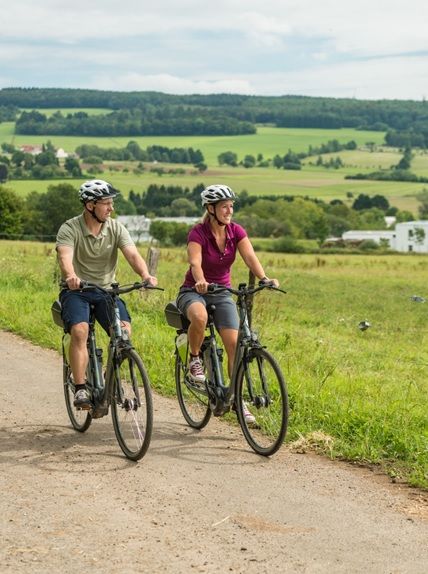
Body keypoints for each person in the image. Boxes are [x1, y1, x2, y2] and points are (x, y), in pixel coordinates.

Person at [176, 184, 279, 423]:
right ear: (210, 209)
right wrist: (200, 281)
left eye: (231, 206)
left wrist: (263, 278)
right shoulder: (198, 233)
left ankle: (236, 398)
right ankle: (194, 360)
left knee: (234, 344)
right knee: (199, 317)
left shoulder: (236, 232)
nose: (229, 210)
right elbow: (195, 262)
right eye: (224, 206)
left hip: (222, 292)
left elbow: (250, 256)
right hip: (194, 291)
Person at [56, 179, 157, 409]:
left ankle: (105, 377)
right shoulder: (70, 228)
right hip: (77, 292)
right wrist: (71, 276)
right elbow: (65, 257)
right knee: (80, 331)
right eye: (106, 203)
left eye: (111, 203)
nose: (111, 208)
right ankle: (81, 387)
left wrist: (145, 274)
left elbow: (132, 254)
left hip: (105, 291)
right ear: (90, 205)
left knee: (124, 332)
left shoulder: (115, 228)